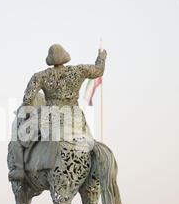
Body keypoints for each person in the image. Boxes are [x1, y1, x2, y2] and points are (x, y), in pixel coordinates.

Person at [8, 44, 107, 181]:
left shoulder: (41, 76)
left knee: (18, 137)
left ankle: (18, 170)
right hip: (75, 116)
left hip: (49, 116)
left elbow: (28, 100)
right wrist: (101, 57)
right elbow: (98, 71)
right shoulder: (78, 70)